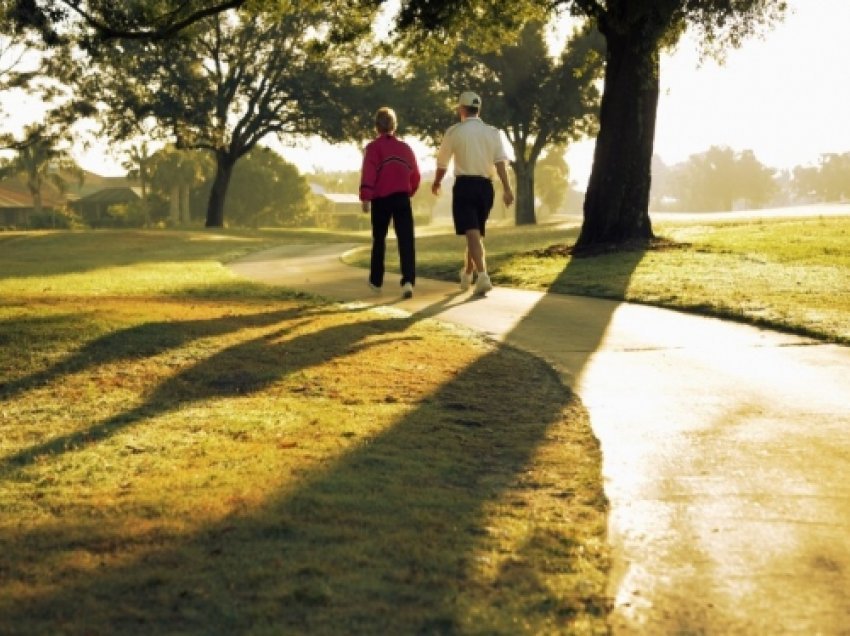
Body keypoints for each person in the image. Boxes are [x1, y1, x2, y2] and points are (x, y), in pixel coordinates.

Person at [431, 91, 514, 295]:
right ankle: (468, 272)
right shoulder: (492, 132)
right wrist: (507, 188)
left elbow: (442, 163)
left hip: (465, 187)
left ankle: (483, 275)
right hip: (486, 189)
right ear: (478, 109)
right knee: (474, 232)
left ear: (462, 109)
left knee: (473, 233)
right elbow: (500, 162)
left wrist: (437, 182)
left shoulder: (454, 132)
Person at [359, 106, 421, 299]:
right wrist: (409, 191)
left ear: (377, 127)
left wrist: (365, 197)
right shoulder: (405, 148)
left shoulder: (373, 148)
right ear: (394, 126)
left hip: (380, 199)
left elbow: (369, 172)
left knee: (379, 239)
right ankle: (408, 280)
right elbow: (415, 175)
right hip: (402, 198)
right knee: (406, 240)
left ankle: (376, 281)